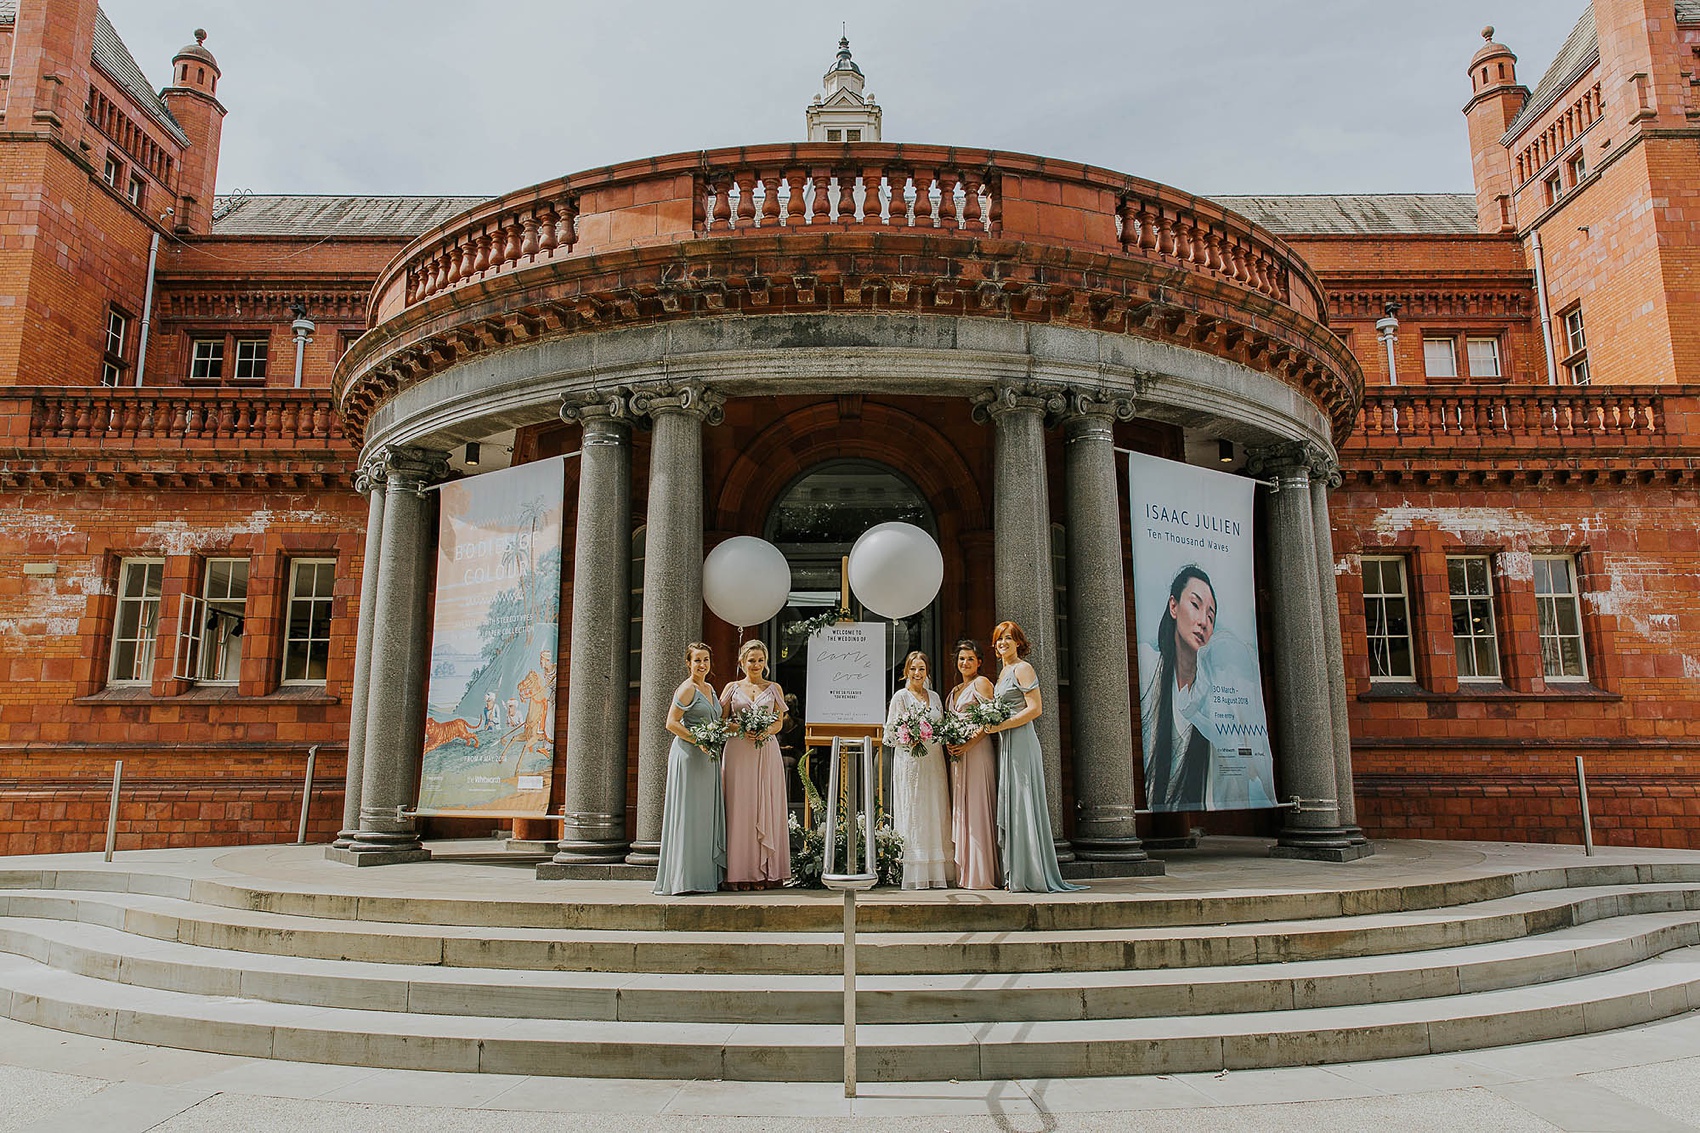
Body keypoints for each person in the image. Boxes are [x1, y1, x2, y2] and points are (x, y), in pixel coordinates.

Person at [1139, 565, 1276, 812]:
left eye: (1211, 617)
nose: (1203, 621)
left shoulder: (1220, 697)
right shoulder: (1149, 669)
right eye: (1195, 605)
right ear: (1173, 606)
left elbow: (1251, 769)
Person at [983, 620, 1086, 893]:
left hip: (1021, 740)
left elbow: (1035, 708)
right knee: (1013, 801)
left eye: (1007, 638)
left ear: (1018, 642)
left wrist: (1001, 725)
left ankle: (1031, 872)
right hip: (1007, 742)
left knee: (1022, 800)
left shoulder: (1023, 668)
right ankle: (1017, 870)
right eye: (998, 639)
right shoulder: (1003, 671)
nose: (1002, 643)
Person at [654, 643, 727, 896]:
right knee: (688, 815)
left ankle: (703, 876)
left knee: (704, 816)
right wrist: (701, 741)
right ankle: (684, 879)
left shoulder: (709, 688)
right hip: (689, 757)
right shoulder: (687, 689)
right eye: (697, 661)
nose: (702, 665)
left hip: (708, 759)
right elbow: (671, 723)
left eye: (706, 660)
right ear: (689, 663)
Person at [720, 639, 791, 890]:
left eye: (760, 660)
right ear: (742, 662)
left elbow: (779, 723)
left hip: (765, 750)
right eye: (751, 660)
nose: (756, 665)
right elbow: (723, 720)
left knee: (765, 805)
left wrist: (764, 731)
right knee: (740, 807)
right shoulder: (731, 688)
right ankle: (740, 873)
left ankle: (766, 873)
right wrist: (741, 728)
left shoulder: (774, 688)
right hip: (738, 751)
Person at [884, 650, 955, 889]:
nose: (917, 673)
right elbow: (890, 733)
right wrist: (909, 736)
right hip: (910, 761)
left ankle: (936, 869)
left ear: (927, 672)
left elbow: (942, 726)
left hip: (933, 760)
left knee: (934, 807)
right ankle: (914, 871)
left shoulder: (934, 697)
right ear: (906, 671)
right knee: (913, 808)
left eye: (921, 669)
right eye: (913, 669)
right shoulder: (900, 697)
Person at [944, 639, 999, 890]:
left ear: (979, 662)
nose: (964, 663)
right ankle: (965, 871)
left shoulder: (983, 683)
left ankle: (982, 872)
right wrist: (951, 742)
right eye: (961, 659)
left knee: (977, 805)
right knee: (962, 809)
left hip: (977, 751)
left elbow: (991, 721)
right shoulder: (954, 690)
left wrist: (968, 743)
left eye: (969, 658)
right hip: (958, 755)